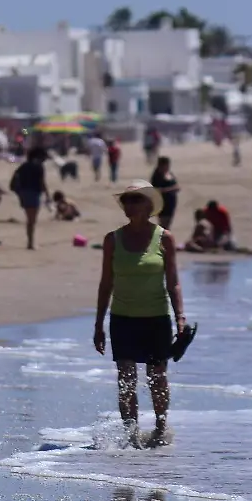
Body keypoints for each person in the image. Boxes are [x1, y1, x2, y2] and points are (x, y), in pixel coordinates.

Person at [93, 181, 187, 449]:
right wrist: (98, 324)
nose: (129, 204)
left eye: (135, 199)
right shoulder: (113, 239)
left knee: (157, 377)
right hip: (122, 319)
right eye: (126, 200)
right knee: (126, 378)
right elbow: (105, 283)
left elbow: (174, 282)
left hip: (156, 319)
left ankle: (159, 426)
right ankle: (131, 435)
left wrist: (180, 317)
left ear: (149, 205)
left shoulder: (164, 238)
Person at [11, 146, 49, 250]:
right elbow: (42, 182)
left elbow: (16, 176)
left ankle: (30, 242)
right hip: (33, 193)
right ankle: (30, 243)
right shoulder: (39, 167)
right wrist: (48, 195)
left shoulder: (24, 165)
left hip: (23, 193)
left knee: (30, 220)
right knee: (32, 221)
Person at [149, 156, 180, 231]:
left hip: (171, 202)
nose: (168, 166)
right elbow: (156, 189)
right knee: (163, 224)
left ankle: (163, 240)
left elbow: (176, 185)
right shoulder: (157, 176)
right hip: (162, 202)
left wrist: (175, 188)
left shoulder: (169, 173)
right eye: (166, 165)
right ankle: (161, 240)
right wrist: (171, 189)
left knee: (168, 223)